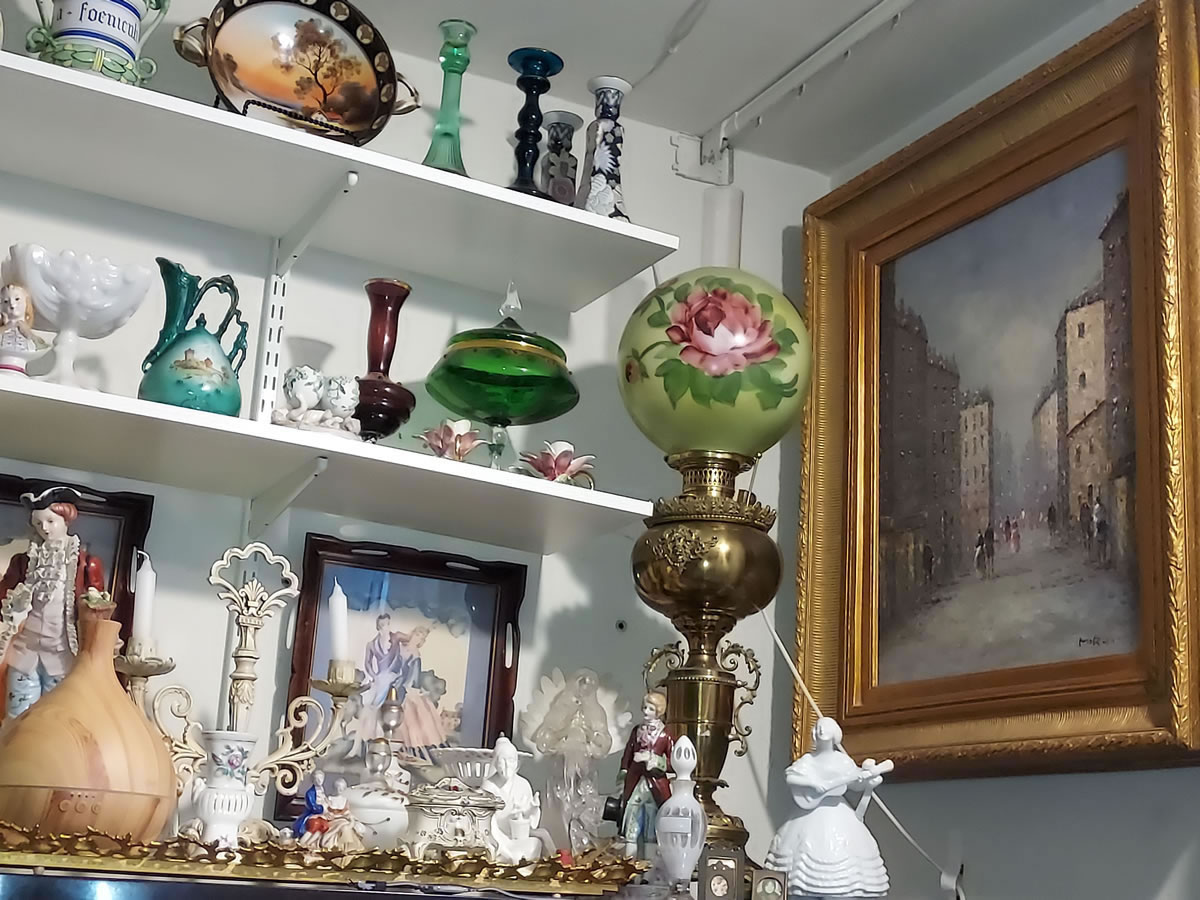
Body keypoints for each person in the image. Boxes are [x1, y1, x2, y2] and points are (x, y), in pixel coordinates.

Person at [0, 486, 112, 720]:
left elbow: (97, 610)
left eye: (51, 521)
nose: (45, 528)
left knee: (57, 719)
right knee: (18, 717)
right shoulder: (23, 562)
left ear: (66, 520)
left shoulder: (85, 564)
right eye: (38, 523)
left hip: (62, 654)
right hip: (25, 651)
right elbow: (4, 595)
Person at [765, 717, 890, 898]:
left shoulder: (842, 761)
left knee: (842, 881)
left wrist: (868, 782)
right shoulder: (808, 760)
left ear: (834, 733)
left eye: (825, 727)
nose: (821, 731)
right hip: (807, 817)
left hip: (838, 813)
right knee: (796, 877)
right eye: (818, 728)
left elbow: (855, 783)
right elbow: (791, 776)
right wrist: (815, 784)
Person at [616, 690, 673, 859]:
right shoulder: (637, 731)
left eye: (651, 709)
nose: (646, 711)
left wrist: (653, 760)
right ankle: (629, 864)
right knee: (631, 822)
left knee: (652, 827)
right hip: (636, 781)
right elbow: (628, 753)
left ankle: (649, 866)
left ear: (659, 711)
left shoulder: (666, 734)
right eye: (645, 707)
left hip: (656, 786)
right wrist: (624, 771)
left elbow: (673, 763)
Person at [483, 736, 555, 863]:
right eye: (502, 761)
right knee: (495, 850)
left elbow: (529, 822)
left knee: (535, 844)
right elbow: (485, 822)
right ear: (495, 762)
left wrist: (532, 809)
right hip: (498, 838)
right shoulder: (488, 786)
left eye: (510, 760)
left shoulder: (523, 784)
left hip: (517, 837)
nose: (507, 766)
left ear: (516, 762)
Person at [1094, 496, 1109, 566]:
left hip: (1102, 525)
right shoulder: (1097, 508)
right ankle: (1100, 560)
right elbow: (1096, 517)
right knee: (1099, 544)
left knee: (1102, 544)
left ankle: (1103, 560)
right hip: (1099, 526)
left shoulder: (1102, 508)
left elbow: (1103, 516)